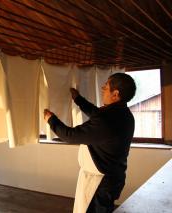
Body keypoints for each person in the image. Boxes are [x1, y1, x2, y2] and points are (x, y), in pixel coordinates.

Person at [44, 73, 136, 213]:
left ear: (115, 94)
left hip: (101, 183)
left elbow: (70, 136)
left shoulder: (107, 121)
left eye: (106, 87)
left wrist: (51, 120)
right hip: (113, 176)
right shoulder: (124, 114)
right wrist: (78, 99)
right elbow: (97, 113)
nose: (102, 88)